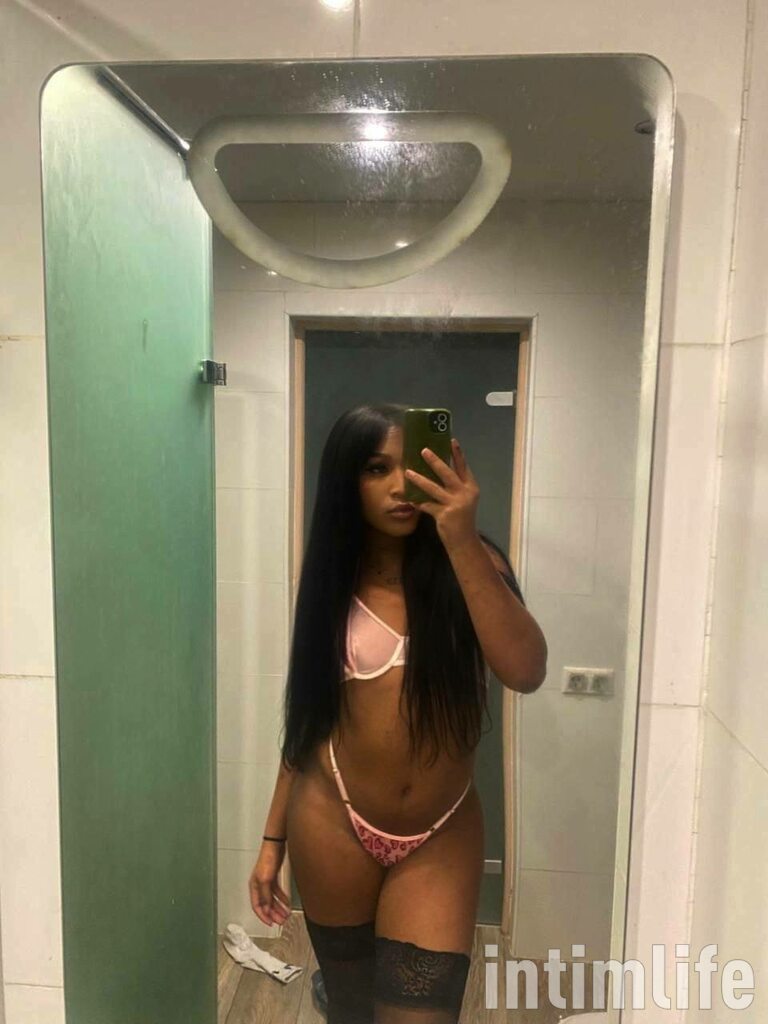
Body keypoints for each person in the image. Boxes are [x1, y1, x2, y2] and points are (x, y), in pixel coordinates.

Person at [248, 403, 548, 1023]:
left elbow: (526, 671)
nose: (397, 486)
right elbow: (307, 720)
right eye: (374, 469)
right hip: (332, 819)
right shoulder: (333, 582)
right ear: (346, 482)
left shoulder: (476, 564)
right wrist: (271, 841)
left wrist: (460, 537)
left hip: (442, 832)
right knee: (353, 1012)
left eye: (408, 466)